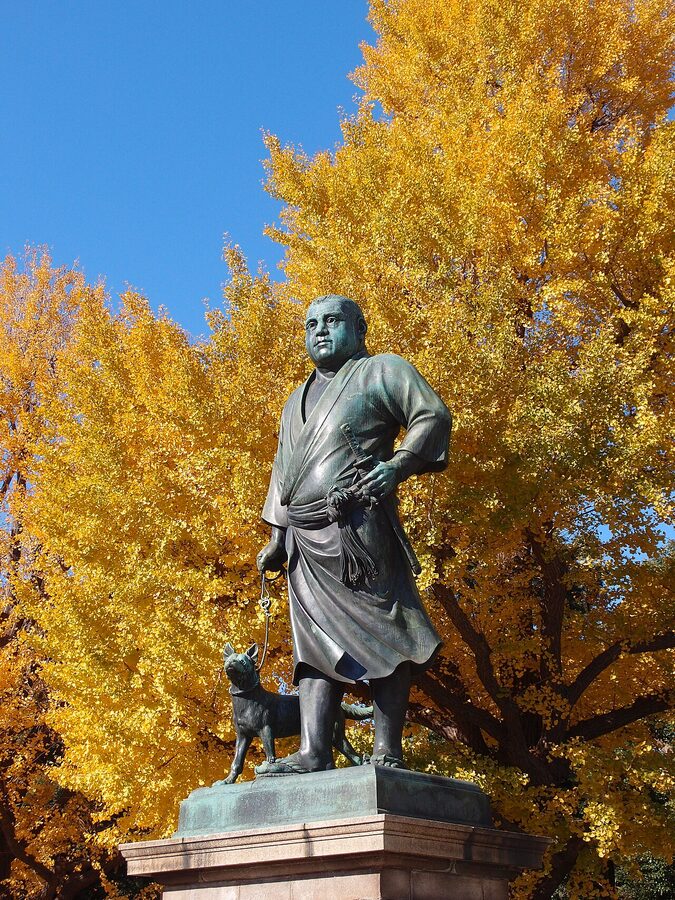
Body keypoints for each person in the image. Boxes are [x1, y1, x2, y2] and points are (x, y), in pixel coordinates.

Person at [255, 294, 451, 775]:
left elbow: (432, 416)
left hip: (357, 529)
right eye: (310, 324)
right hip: (304, 536)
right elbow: (284, 469)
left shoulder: (382, 370)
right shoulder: (293, 401)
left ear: (360, 329)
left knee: (387, 628)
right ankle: (313, 751)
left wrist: (397, 466)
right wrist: (277, 535)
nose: (320, 330)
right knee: (313, 643)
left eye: (333, 321)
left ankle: (388, 749)